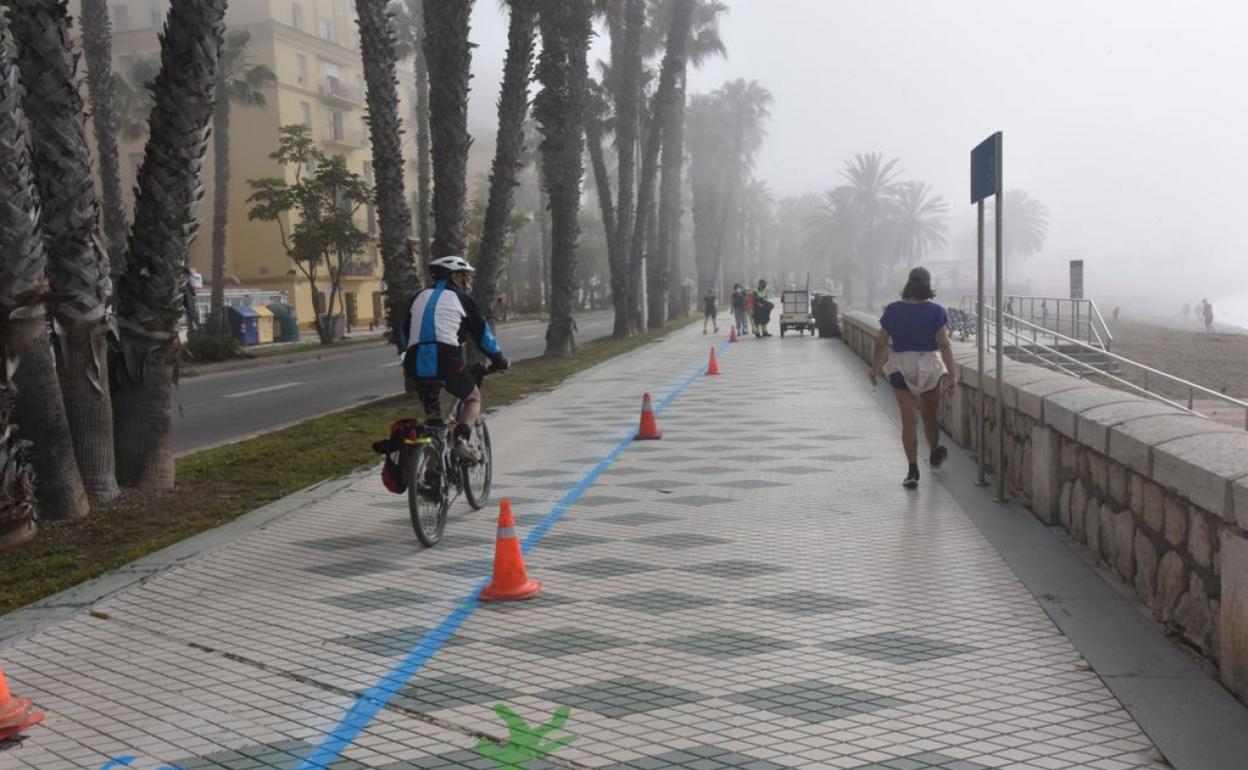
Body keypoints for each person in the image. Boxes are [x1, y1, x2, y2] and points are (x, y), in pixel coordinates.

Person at [401, 256, 509, 463]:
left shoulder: (418, 296)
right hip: (447, 359)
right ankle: (461, 440)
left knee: (434, 422)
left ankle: (431, 472)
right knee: (473, 398)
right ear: (454, 276)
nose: (467, 282)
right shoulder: (463, 299)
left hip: (415, 361)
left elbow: (405, 335)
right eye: (465, 277)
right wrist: (498, 359)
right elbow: (483, 336)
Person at [869, 267, 957, 489]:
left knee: (909, 420)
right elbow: (944, 344)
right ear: (928, 286)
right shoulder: (936, 311)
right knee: (929, 416)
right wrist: (952, 374)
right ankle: (934, 452)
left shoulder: (892, 311)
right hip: (930, 365)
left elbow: (881, 342)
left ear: (908, 285)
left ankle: (912, 469)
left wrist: (875, 366)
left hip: (900, 366)